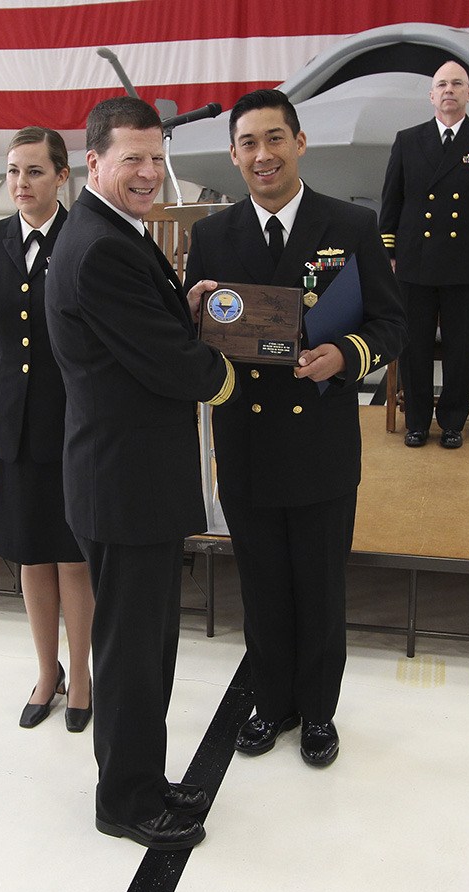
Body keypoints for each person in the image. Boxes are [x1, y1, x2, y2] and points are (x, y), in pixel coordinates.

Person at [185, 89, 406, 768]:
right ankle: (272, 703)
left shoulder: (351, 225)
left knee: (318, 584)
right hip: (247, 442)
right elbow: (197, 342)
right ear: (233, 155)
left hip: (321, 444)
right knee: (263, 584)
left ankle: (317, 714)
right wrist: (186, 310)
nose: (262, 155)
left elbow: (391, 323)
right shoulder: (213, 235)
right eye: (248, 143)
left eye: (274, 139)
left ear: (300, 143)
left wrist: (347, 356)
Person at [44, 97, 239, 851]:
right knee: (128, 655)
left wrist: (182, 306)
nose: (149, 173)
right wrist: (227, 372)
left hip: (132, 482)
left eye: (157, 158)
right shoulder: (99, 246)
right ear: (92, 161)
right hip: (124, 486)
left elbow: (142, 330)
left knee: (149, 646)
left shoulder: (112, 233)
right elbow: (172, 365)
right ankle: (124, 801)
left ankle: (146, 778)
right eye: (132, 158)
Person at [0, 127, 94, 733]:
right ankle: (48, 672)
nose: (21, 183)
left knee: (71, 556)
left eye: (34, 172)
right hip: (13, 426)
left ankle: (83, 675)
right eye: (13, 172)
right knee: (28, 557)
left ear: (62, 175)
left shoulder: (83, 237)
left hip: (71, 422)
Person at [379, 60, 469, 449]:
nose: (449, 90)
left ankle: (453, 421)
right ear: (431, 95)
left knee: (459, 347)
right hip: (414, 261)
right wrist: (389, 249)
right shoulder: (408, 139)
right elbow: (393, 200)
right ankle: (417, 421)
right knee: (413, 347)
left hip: (464, 263)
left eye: (457, 84)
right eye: (442, 84)